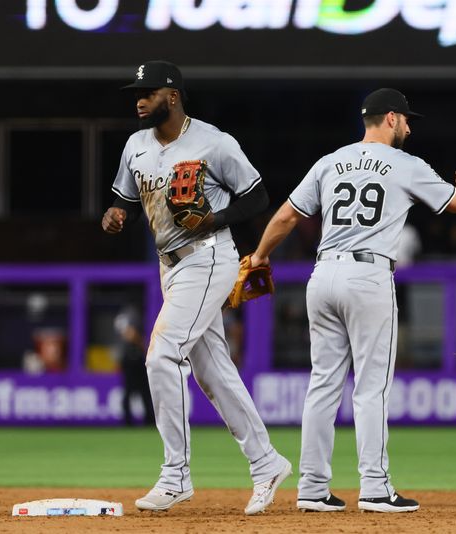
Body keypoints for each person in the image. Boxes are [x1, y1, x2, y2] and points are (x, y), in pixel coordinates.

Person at [249, 88, 456, 513]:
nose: (409, 127)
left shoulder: (329, 161)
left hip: (322, 275)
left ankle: (312, 487)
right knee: (371, 387)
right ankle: (375, 488)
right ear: (390, 118)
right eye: (406, 119)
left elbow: (287, 215)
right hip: (367, 276)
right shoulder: (405, 164)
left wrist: (259, 256)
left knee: (322, 385)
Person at [101, 60, 291, 515]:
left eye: (147, 92)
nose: (139, 99)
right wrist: (116, 214)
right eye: (137, 93)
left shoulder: (213, 141)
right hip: (170, 266)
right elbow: (124, 199)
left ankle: (175, 475)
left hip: (209, 255)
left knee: (162, 354)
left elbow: (257, 195)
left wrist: (215, 218)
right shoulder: (136, 146)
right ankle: (267, 462)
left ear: (172, 95)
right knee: (213, 373)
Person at [114, 307, 155, 426]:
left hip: (139, 366)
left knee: (145, 395)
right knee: (127, 395)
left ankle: (149, 421)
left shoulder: (139, 337)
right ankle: (127, 422)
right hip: (129, 366)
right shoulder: (124, 343)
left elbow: (144, 347)